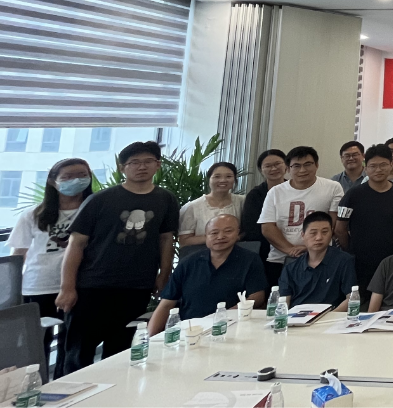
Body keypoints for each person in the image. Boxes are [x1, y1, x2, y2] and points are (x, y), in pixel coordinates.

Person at [57, 141, 180, 374]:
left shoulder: (166, 199)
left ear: (157, 165)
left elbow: (166, 239)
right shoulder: (101, 199)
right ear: (122, 167)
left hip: (137, 287)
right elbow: (76, 243)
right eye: (134, 162)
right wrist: (67, 287)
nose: (141, 167)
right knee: (79, 352)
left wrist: (164, 275)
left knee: (121, 352)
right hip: (93, 285)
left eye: (148, 161)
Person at [9, 158, 92, 378]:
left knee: (71, 343)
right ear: (53, 182)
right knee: (36, 344)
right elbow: (18, 254)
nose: (76, 181)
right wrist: (12, 292)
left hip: (80, 285)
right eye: (67, 177)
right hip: (38, 286)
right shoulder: (33, 214)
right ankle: (36, 387)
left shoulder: (95, 210)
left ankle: (65, 385)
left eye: (82, 175)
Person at [148, 214, 267, 334]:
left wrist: (229, 314)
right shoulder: (188, 263)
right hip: (191, 329)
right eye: (214, 233)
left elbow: (257, 296)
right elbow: (166, 304)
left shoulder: (250, 260)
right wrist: (149, 338)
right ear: (206, 236)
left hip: (232, 327)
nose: (220, 237)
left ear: (237, 233)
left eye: (228, 231)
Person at [258, 146, 344, 287]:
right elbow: (267, 227)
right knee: (279, 298)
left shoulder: (333, 187)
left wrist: (309, 248)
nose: (302, 170)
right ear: (288, 168)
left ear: (317, 165)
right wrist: (290, 250)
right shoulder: (275, 192)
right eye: (296, 166)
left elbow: (333, 224)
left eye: (308, 164)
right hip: (281, 259)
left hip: (320, 258)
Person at [336, 144, 393, 304]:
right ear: (365, 168)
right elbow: (340, 228)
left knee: (391, 301)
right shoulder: (353, 195)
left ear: (391, 165)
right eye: (373, 166)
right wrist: (350, 250)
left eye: (383, 165)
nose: (378, 170)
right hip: (360, 262)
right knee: (362, 302)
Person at [280, 212, 357, 308]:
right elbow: (283, 302)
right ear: (303, 235)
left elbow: (351, 298)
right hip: (297, 315)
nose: (319, 237)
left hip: (331, 314)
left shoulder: (344, 261)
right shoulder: (291, 268)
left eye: (325, 232)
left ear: (331, 233)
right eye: (313, 233)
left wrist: (333, 314)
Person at [177, 162, 245, 249]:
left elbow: (248, 230)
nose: (223, 180)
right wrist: (215, 239)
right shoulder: (192, 207)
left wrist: (236, 238)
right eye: (217, 176)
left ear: (234, 180)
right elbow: (184, 241)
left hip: (236, 252)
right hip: (201, 253)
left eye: (228, 176)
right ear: (209, 179)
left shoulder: (243, 201)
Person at [241, 149, 287, 269]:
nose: (273, 169)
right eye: (268, 166)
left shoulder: (296, 190)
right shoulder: (255, 195)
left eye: (277, 164)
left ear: (286, 165)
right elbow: (251, 228)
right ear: (261, 170)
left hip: (295, 245)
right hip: (265, 250)